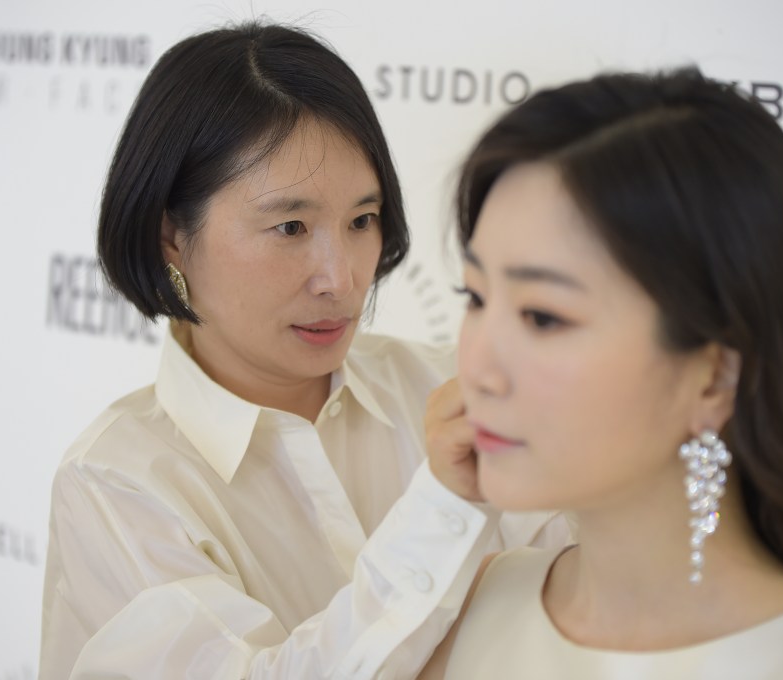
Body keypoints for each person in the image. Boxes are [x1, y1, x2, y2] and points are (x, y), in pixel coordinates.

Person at [38, 20, 567, 679]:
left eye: (362, 221)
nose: (340, 279)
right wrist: (445, 508)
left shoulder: (445, 387)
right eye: (291, 227)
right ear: (171, 236)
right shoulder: (118, 482)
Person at [419, 69, 783, 678]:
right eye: (476, 297)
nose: (478, 369)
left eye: (542, 317)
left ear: (716, 377)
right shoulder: (469, 607)